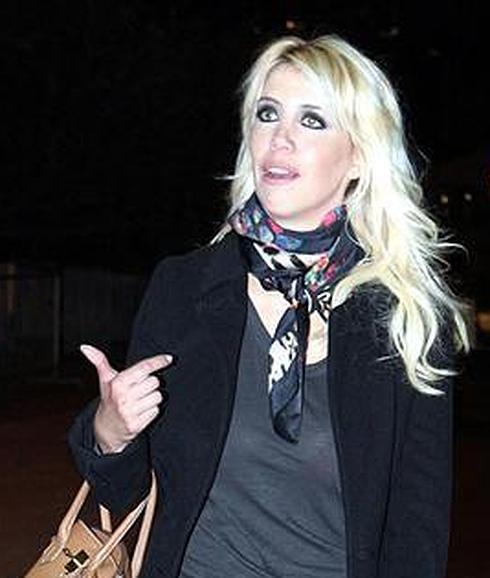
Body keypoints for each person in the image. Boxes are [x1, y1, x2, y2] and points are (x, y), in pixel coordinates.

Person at [69, 34, 470, 578]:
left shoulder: (408, 320)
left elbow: (417, 527)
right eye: (267, 114)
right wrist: (111, 432)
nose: (280, 137)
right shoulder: (186, 288)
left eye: (312, 121)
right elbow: (125, 496)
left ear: (359, 157)